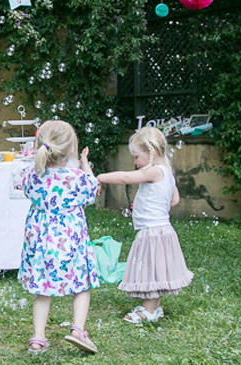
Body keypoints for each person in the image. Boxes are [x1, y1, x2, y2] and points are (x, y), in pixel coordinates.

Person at [96, 126, 193, 324]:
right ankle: (154, 307)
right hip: (162, 229)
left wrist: (99, 177)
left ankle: (147, 310)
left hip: (151, 230)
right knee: (157, 269)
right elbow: (174, 200)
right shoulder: (167, 172)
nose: (134, 162)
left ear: (151, 153)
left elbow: (125, 178)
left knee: (150, 270)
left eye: (136, 156)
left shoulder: (154, 171)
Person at [19, 120, 100, 355]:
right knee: (82, 285)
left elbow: (25, 190)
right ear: (71, 149)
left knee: (43, 290)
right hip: (70, 240)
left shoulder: (33, 176)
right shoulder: (76, 177)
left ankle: (37, 338)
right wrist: (85, 164)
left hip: (41, 242)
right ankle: (78, 331)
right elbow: (94, 189)